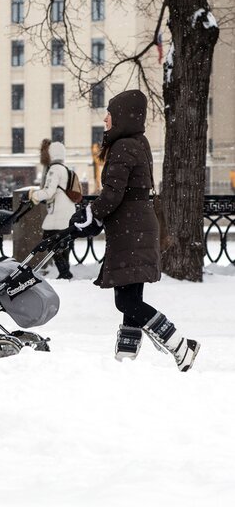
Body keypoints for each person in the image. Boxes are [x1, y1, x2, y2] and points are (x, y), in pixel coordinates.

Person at [70, 89, 199, 371]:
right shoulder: (137, 142)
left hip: (131, 230)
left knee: (126, 301)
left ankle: (180, 344)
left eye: (109, 114)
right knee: (131, 298)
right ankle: (126, 357)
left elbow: (112, 194)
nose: (105, 119)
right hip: (135, 226)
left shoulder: (123, 147)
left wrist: (91, 214)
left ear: (122, 117)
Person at [30, 139, 74, 279]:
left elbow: (49, 192)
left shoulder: (54, 170)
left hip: (58, 213)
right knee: (63, 242)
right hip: (68, 211)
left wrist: (33, 195)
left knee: (49, 240)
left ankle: (64, 272)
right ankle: (65, 271)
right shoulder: (65, 169)